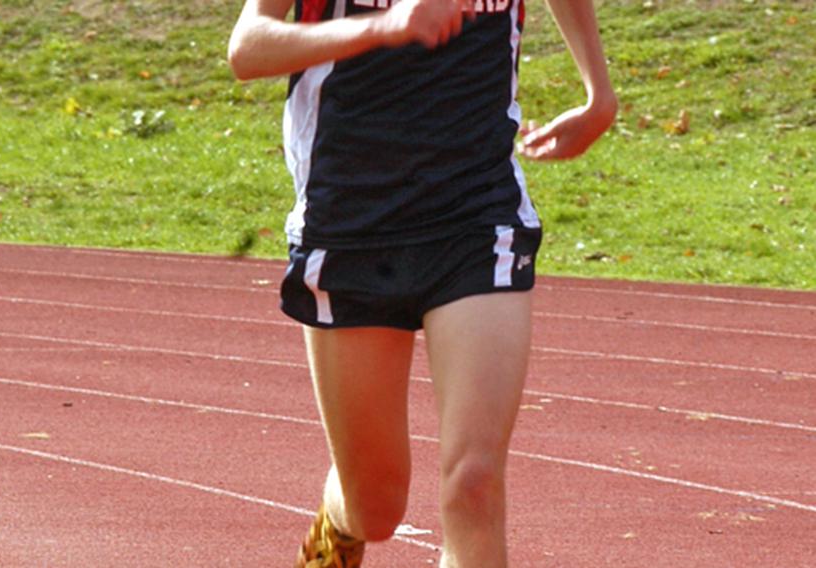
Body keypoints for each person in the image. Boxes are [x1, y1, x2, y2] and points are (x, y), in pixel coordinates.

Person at [228, 0, 616, 565]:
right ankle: (339, 527)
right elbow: (248, 47)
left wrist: (597, 92)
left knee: (474, 483)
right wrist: (384, 26)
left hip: (476, 214)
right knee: (375, 507)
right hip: (351, 221)